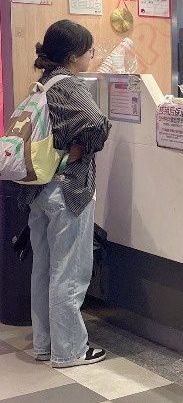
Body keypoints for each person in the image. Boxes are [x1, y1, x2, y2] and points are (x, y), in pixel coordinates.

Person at [17, 20, 111, 368]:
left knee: (43, 270)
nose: (91, 56)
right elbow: (97, 123)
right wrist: (79, 150)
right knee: (69, 271)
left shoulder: (42, 84)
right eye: (89, 50)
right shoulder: (69, 85)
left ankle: (45, 344)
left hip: (38, 190)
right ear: (73, 56)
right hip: (68, 189)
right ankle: (70, 350)